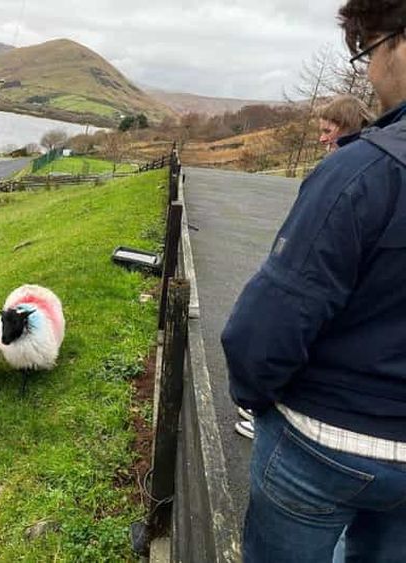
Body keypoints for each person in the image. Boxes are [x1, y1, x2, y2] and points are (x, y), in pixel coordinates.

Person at [221, 0, 406, 560]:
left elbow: (267, 325)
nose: (369, 71)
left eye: (369, 51)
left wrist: (255, 398)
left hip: (323, 440)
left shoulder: (361, 173)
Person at [233, 94, 375, 441]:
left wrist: (255, 387)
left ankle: (266, 411)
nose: (322, 139)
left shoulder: (346, 173)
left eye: (328, 131)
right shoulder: (376, 165)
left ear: (347, 128)